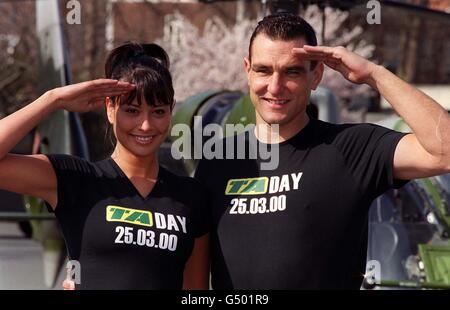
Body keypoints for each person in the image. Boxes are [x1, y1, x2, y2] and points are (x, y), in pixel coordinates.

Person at [194, 13, 450, 289]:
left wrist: (374, 75)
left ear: (316, 75)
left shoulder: (351, 149)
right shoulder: (218, 160)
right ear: (247, 70)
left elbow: (444, 151)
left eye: (292, 71)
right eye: (264, 70)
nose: (275, 87)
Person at [0, 42, 209, 289]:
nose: (145, 125)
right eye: (132, 110)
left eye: (158, 111)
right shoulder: (76, 179)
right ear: (110, 108)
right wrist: (53, 99)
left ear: (171, 111)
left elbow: (196, 291)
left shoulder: (191, 197)